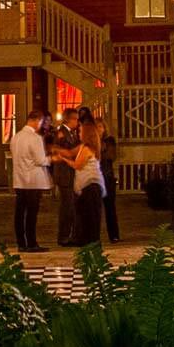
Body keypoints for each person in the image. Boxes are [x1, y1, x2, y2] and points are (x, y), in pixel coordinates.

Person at [54, 121, 106, 246]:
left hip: (91, 184)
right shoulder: (84, 146)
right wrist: (59, 149)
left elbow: (77, 165)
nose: (79, 133)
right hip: (87, 185)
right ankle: (82, 238)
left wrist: (63, 159)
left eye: (81, 131)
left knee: (90, 215)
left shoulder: (88, 148)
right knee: (84, 213)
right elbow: (71, 152)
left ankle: (91, 241)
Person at [10, 110, 51, 252]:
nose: (41, 125)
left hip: (19, 180)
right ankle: (32, 242)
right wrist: (52, 159)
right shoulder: (34, 138)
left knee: (20, 212)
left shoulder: (16, 137)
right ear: (36, 121)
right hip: (33, 180)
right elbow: (40, 160)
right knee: (32, 213)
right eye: (41, 122)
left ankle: (21, 243)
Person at [49, 108, 80, 245]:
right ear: (70, 119)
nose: (78, 122)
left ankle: (71, 235)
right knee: (67, 207)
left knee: (71, 206)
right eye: (76, 119)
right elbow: (65, 151)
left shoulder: (71, 133)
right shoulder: (61, 133)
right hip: (64, 174)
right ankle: (64, 236)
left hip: (70, 174)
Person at [100, 129, 121, 243]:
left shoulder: (109, 141)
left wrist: (103, 150)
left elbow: (112, 157)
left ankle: (114, 235)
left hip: (107, 177)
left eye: (100, 127)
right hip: (96, 178)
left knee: (110, 208)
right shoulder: (92, 141)